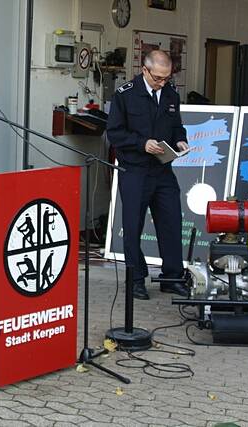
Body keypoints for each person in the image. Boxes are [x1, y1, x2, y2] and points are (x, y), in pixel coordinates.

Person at [106, 50, 189, 300]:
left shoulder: (171, 94)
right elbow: (115, 133)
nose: (162, 82)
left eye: (166, 78)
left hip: (163, 170)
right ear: (145, 70)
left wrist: (181, 140)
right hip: (135, 169)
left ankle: (172, 277)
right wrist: (142, 144)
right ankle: (136, 279)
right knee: (132, 226)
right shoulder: (126, 95)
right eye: (158, 78)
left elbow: (176, 126)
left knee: (172, 222)